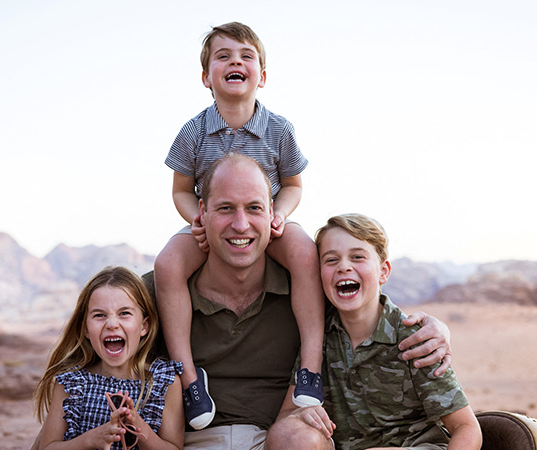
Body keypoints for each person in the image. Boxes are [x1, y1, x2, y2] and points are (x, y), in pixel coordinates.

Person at [144, 153, 454, 450]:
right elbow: (101, 328)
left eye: (254, 208)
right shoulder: (157, 292)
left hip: (276, 438)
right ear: (202, 211)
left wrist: (435, 327)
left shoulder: (307, 288)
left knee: (299, 437)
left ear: (272, 214)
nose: (241, 225)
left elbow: (367, 313)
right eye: (226, 208)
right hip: (189, 443)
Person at [154, 21, 325, 430]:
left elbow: (294, 184)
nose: (236, 62)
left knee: (304, 252)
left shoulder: (279, 129)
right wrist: (193, 217)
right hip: (212, 224)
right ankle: (190, 378)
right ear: (205, 76)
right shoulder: (194, 131)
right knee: (167, 265)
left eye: (246, 56)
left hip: (267, 222)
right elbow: (179, 189)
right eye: (224, 56)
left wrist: (279, 212)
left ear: (262, 76)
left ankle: (311, 367)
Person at [269, 214, 482, 450]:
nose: (344, 267)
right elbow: (285, 419)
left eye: (357, 257)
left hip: (415, 446)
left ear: (383, 271)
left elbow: (466, 428)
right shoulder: (319, 336)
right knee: (288, 435)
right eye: (331, 260)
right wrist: (301, 416)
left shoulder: (415, 339)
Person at [32, 266, 184, 450]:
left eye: (124, 313)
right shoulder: (72, 384)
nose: (112, 324)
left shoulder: (163, 383)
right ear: (86, 329)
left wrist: (136, 423)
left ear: (144, 326)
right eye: (100, 315)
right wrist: (91, 439)